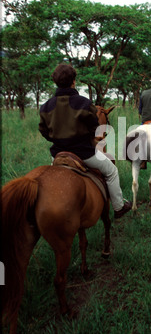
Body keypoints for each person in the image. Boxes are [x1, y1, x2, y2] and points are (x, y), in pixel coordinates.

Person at [39, 63, 132, 218]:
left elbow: (43, 130)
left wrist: (57, 139)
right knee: (111, 171)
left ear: (55, 82)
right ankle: (118, 207)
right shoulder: (84, 103)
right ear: (74, 81)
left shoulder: (45, 106)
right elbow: (94, 128)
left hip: (58, 155)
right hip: (84, 153)